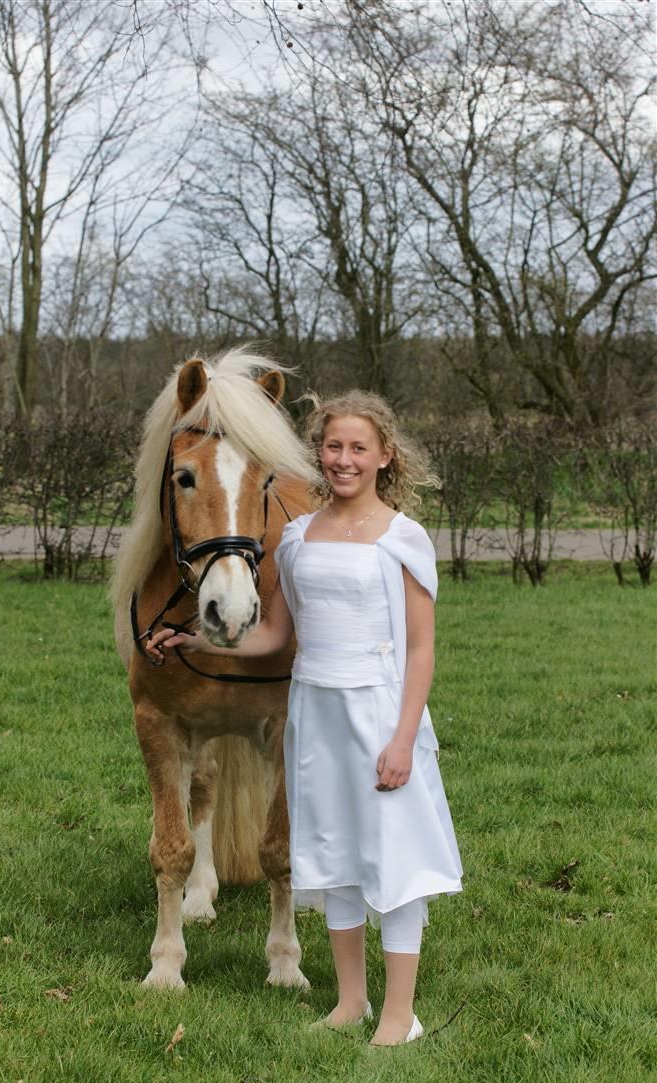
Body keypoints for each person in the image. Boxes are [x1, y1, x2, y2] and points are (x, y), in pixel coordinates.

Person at [147, 389, 462, 1047]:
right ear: (318, 453)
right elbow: (271, 636)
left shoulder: (404, 538)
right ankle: (351, 1001)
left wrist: (404, 737)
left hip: (378, 711)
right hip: (313, 712)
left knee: (393, 857)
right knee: (334, 856)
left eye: (358, 448)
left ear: (384, 458)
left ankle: (400, 1015)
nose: (343, 459)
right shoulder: (295, 538)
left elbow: (422, 645)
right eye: (333, 446)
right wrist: (196, 642)